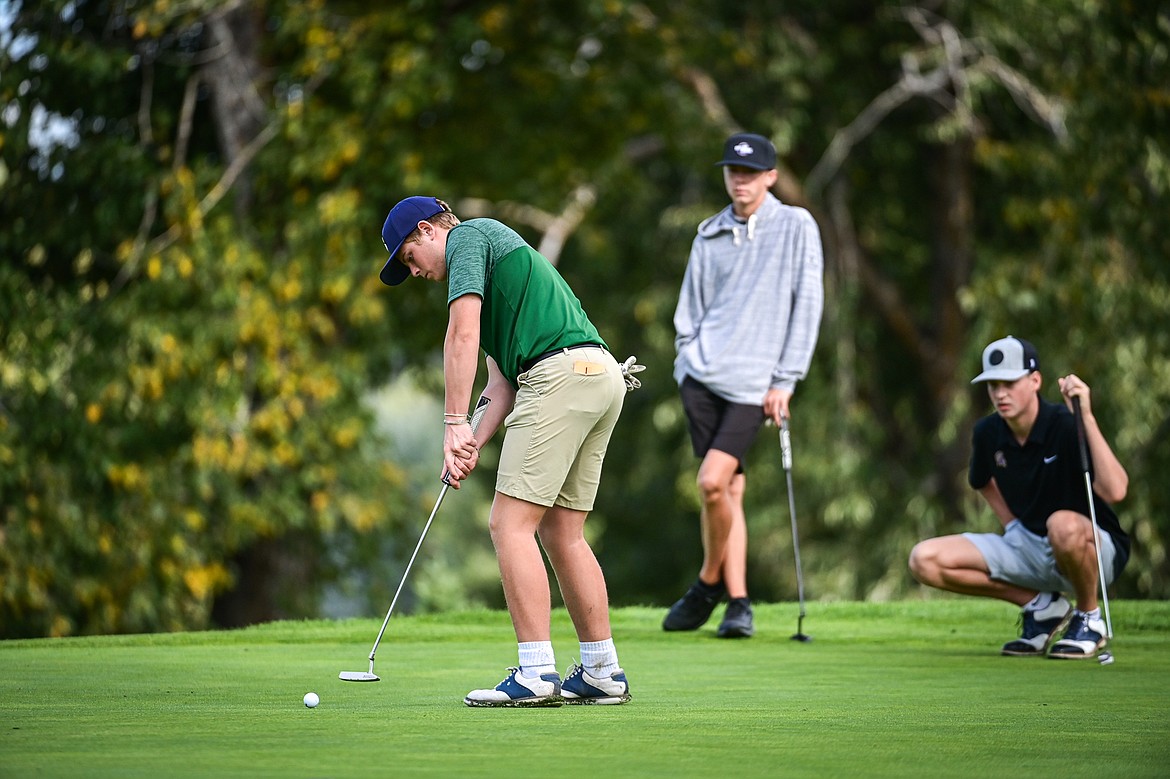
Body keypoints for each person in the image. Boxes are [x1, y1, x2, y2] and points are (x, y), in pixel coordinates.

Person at [378, 196, 633, 706]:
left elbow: (461, 334)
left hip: (559, 376)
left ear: (428, 231)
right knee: (563, 532)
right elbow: (500, 385)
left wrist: (451, 422)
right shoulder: (499, 283)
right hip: (599, 376)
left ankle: (537, 672)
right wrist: (469, 440)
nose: (417, 272)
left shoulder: (470, 238)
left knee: (508, 524)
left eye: (409, 257)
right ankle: (603, 671)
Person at [664, 132, 824, 638]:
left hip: (756, 385)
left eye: (750, 173)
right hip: (702, 376)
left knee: (711, 482)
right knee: (728, 489)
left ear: (771, 177)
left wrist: (786, 379)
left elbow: (808, 304)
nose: (740, 180)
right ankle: (738, 603)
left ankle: (707, 583)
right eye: (733, 172)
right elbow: (689, 308)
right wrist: (686, 356)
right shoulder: (709, 232)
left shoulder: (797, 226)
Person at [908, 336, 1130, 659]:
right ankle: (1040, 607)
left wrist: (1086, 420)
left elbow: (1116, 490)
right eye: (993, 385)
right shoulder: (987, 433)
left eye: (1009, 383)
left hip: (1094, 548)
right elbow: (981, 481)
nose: (1000, 394)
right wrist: (1011, 524)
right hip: (1027, 545)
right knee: (923, 559)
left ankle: (1088, 616)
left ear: (1035, 380)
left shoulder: (1065, 425)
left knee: (1061, 525)